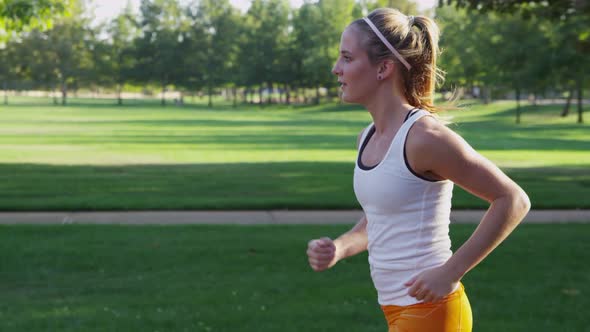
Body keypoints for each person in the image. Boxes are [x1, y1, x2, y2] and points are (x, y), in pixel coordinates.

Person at [306, 8, 530, 332]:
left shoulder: (425, 138)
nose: (335, 69)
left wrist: (450, 272)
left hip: (432, 312)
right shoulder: (367, 137)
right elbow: (381, 218)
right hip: (396, 308)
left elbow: (513, 199)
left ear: (383, 67)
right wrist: (339, 248)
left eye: (346, 58)